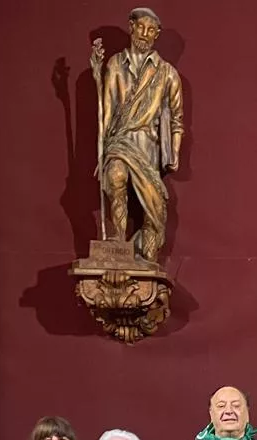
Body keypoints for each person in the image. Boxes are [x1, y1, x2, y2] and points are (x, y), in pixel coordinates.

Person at [91, 6, 185, 262]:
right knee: (116, 175)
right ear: (131, 27)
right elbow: (107, 113)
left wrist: (174, 152)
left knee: (155, 215)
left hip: (148, 147)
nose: (144, 34)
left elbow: (177, 119)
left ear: (157, 35)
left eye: (151, 30)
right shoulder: (114, 65)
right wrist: (103, 151)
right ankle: (118, 242)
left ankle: (146, 256)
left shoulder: (167, 74)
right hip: (120, 142)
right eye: (141, 27)